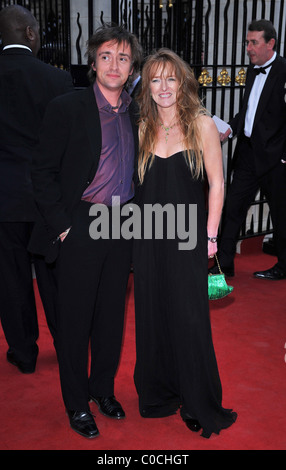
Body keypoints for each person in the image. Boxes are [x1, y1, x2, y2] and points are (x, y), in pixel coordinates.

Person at [29, 25, 142, 438]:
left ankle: (102, 390)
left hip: (123, 222)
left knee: (111, 318)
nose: (115, 65)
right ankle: (77, 404)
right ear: (93, 61)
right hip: (81, 222)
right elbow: (41, 172)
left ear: (132, 67)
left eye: (123, 58)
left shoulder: (136, 109)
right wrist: (62, 227)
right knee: (75, 322)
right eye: (107, 56)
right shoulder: (67, 107)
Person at [132, 48, 237, 438]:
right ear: (147, 85)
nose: (163, 87)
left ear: (183, 82)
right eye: (155, 79)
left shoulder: (201, 124)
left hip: (188, 238)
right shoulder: (140, 125)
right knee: (152, 314)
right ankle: (160, 393)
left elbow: (217, 183)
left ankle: (196, 400)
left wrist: (211, 235)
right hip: (146, 238)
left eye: (170, 78)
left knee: (189, 320)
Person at [0, 5, 74, 374]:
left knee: (10, 279)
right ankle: (68, 348)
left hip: (3, 199)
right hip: (46, 198)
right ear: (29, 33)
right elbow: (67, 146)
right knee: (54, 276)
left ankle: (24, 353)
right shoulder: (56, 80)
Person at [209, 19, 286, 280]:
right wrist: (230, 127)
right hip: (248, 153)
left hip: (275, 158)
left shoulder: (284, 70)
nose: (248, 48)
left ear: (270, 43)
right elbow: (249, 111)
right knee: (233, 207)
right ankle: (224, 263)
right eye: (247, 42)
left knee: (281, 212)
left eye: (254, 42)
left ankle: (284, 266)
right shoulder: (253, 70)